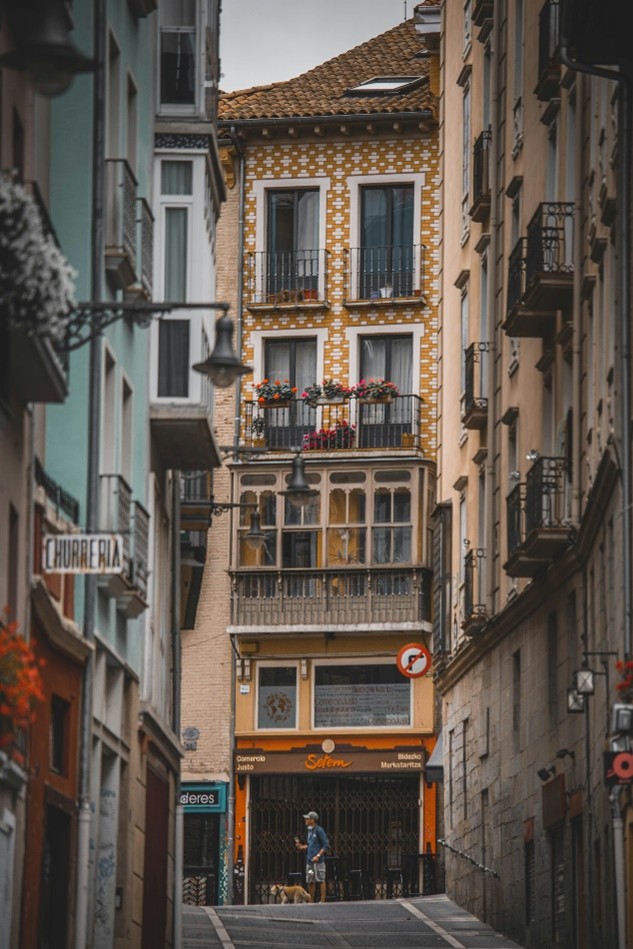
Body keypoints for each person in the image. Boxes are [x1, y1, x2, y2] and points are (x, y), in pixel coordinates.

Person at [295, 810, 328, 903]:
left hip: (318, 861)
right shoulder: (310, 831)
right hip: (309, 861)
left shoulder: (319, 830)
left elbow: (325, 845)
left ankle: (322, 900)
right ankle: (311, 901)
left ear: (312, 820)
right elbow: (310, 845)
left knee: (321, 879)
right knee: (310, 880)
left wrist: (318, 855)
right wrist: (302, 847)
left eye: (307, 818)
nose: (305, 820)